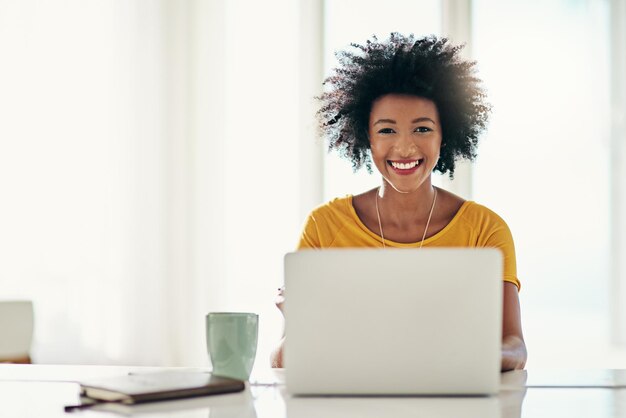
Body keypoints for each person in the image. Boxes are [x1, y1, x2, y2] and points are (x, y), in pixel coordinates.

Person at [271, 33, 527, 371]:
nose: (405, 149)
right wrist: (305, 321)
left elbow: (515, 349)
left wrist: (476, 356)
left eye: (421, 129)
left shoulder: (485, 230)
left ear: (444, 134)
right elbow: (281, 361)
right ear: (366, 137)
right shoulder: (324, 226)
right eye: (387, 130)